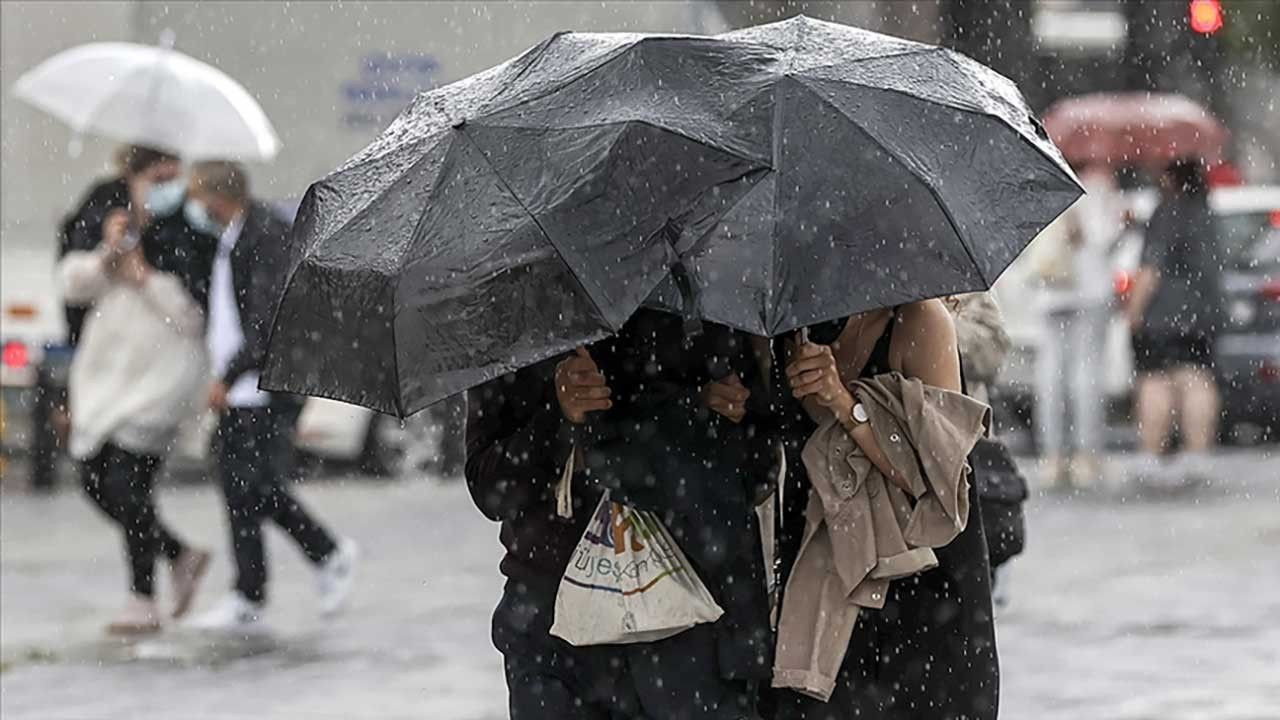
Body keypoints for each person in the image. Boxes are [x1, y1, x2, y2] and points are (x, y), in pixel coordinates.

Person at [466, 308, 775, 720]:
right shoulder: (509, 321)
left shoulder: (701, 296)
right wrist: (560, 418)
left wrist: (699, 412)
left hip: (693, 620)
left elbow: (757, 467)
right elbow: (491, 489)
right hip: (554, 629)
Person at [764, 299, 998, 720]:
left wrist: (843, 402)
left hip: (921, 585)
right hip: (826, 577)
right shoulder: (788, 327)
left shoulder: (921, 321)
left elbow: (936, 479)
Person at [184, 161, 358, 630]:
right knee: (238, 487)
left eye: (195, 195)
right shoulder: (233, 236)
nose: (192, 207)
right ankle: (250, 594)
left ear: (216, 196)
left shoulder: (265, 235)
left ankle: (328, 553)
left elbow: (265, 321)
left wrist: (228, 374)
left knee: (258, 487)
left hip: (263, 386)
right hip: (242, 389)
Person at [57, 146, 217, 634]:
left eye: (175, 175)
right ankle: (179, 553)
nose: (166, 185)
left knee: (128, 481)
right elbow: (72, 286)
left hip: (162, 378)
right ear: (134, 175)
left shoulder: (191, 230)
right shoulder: (104, 211)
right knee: (93, 477)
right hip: (107, 375)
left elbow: (194, 315)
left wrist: (143, 277)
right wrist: (108, 253)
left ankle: (141, 598)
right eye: (157, 176)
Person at [1124, 158, 1224, 485]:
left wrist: (1133, 312)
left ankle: (1153, 455)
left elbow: (1152, 269)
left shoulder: (1166, 212)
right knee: (1197, 379)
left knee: (1156, 381)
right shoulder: (1206, 212)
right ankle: (1198, 456)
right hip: (1202, 314)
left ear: (1171, 178)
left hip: (1162, 315)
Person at [1032, 162, 1127, 488]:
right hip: (1089, 292)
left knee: (1050, 374)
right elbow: (1103, 239)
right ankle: (1086, 456)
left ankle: (1053, 456)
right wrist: (1115, 209)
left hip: (1051, 291)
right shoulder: (1097, 188)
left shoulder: (1043, 178)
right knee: (1086, 374)